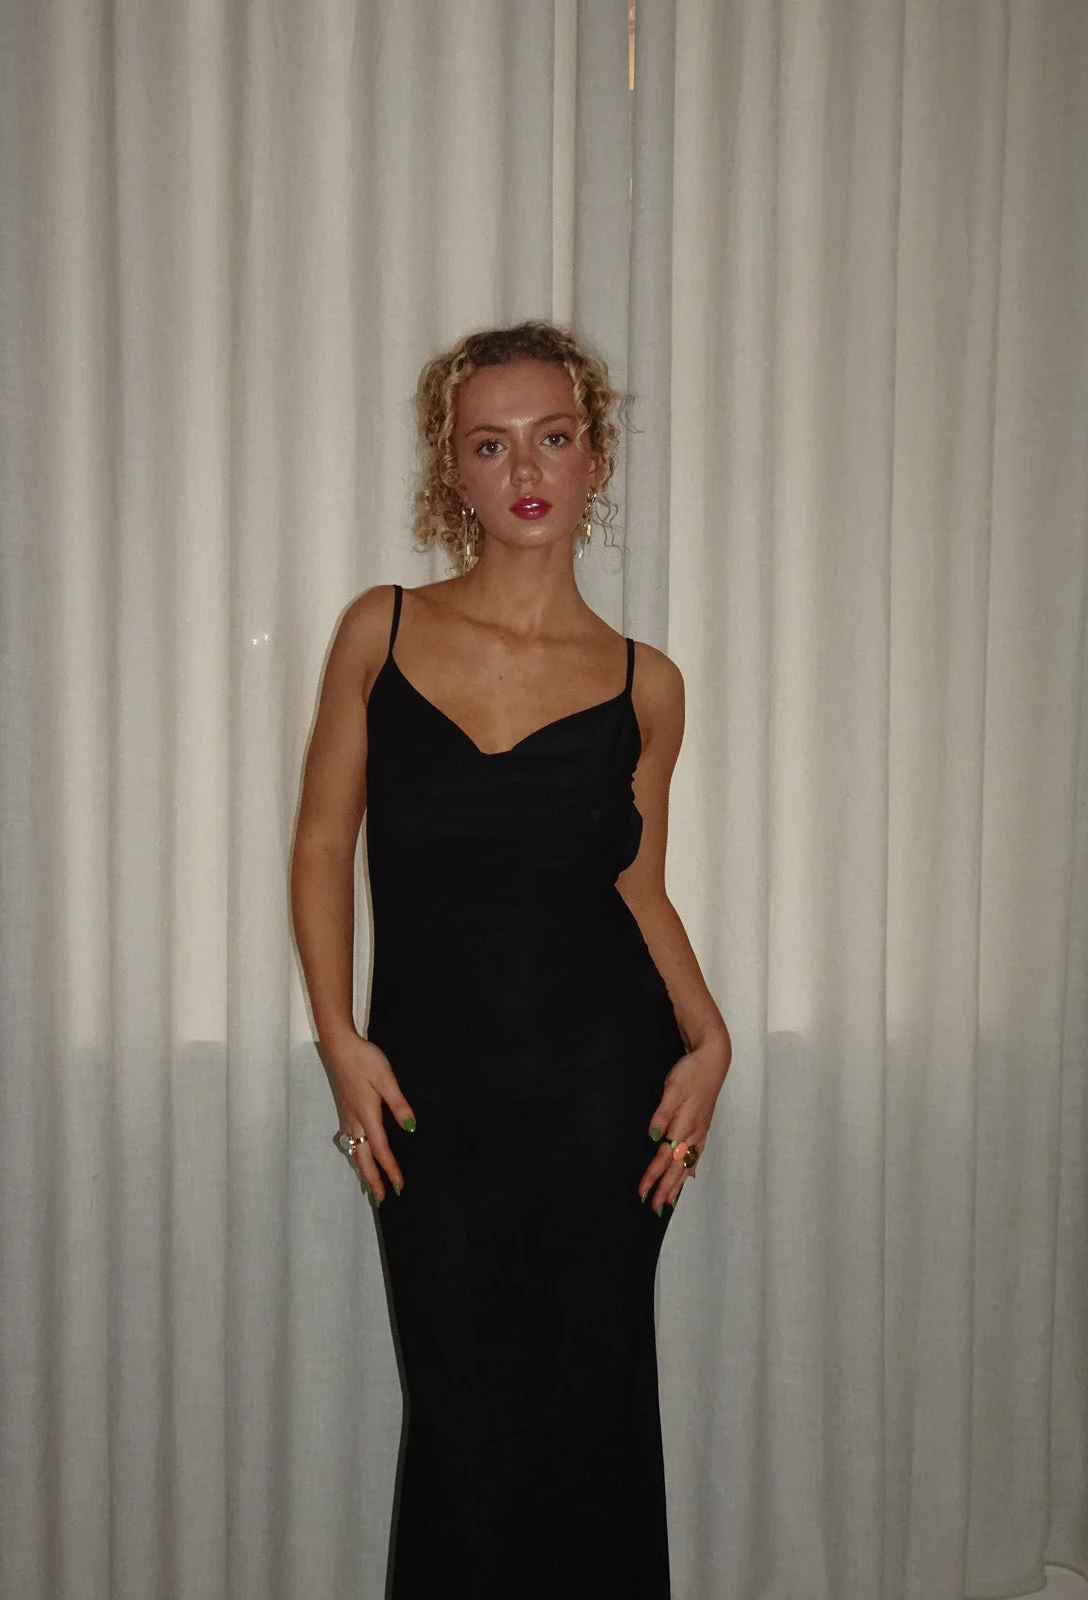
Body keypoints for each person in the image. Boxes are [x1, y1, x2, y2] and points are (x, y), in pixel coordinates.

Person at [290, 320, 731, 1598]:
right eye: (491, 444)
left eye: (553, 436)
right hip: (432, 1099)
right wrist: (340, 1040)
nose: (525, 467)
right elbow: (321, 845)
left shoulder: (648, 685)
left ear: (596, 457)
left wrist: (711, 1040)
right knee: (461, 1420)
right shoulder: (380, 630)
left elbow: (636, 884)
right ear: (454, 469)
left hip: (602, 1097)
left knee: (592, 1415)